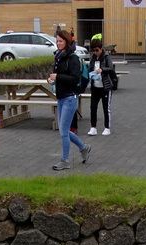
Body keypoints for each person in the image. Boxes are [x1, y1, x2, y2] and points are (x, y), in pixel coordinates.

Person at [47, 29, 90, 171]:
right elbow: (58, 76)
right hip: (61, 97)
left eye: (60, 41)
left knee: (63, 131)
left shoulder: (72, 58)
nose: (58, 43)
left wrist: (57, 77)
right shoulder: (58, 57)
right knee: (63, 130)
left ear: (67, 42)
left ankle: (65, 160)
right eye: (57, 41)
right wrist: (52, 79)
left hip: (70, 98)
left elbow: (74, 79)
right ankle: (84, 147)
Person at [87, 39, 115, 136]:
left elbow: (111, 68)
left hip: (105, 87)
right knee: (93, 107)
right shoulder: (93, 58)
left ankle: (107, 127)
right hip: (95, 86)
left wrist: (102, 70)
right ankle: (93, 127)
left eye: (97, 50)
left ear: (101, 49)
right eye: (93, 50)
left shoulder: (106, 57)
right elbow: (90, 69)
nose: (95, 52)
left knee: (106, 108)